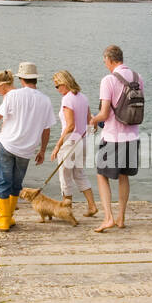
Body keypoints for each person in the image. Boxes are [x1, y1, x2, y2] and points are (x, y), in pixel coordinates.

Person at [0, 64, 55, 230]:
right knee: (15, 184)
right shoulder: (45, 100)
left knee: (3, 182)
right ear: (36, 78)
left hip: (7, 145)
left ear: (21, 79)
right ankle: (9, 217)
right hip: (26, 150)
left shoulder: (13, 95)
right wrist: (42, 150)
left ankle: (4, 219)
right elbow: (46, 130)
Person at [88, 44, 144, 233]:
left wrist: (93, 120)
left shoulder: (108, 80)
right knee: (123, 176)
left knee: (101, 175)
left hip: (113, 137)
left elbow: (104, 114)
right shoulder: (138, 77)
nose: (105, 65)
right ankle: (121, 217)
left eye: (105, 61)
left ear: (110, 60)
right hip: (133, 135)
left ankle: (108, 218)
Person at [49, 69, 98, 217]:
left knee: (65, 176)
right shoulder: (83, 97)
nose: (57, 90)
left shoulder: (67, 99)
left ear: (64, 83)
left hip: (70, 142)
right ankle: (92, 206)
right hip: (83, 141)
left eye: (57, 86)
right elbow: (91, 121)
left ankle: (67, 210)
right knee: (79, 174)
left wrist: (57, 146)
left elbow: (70, 126)